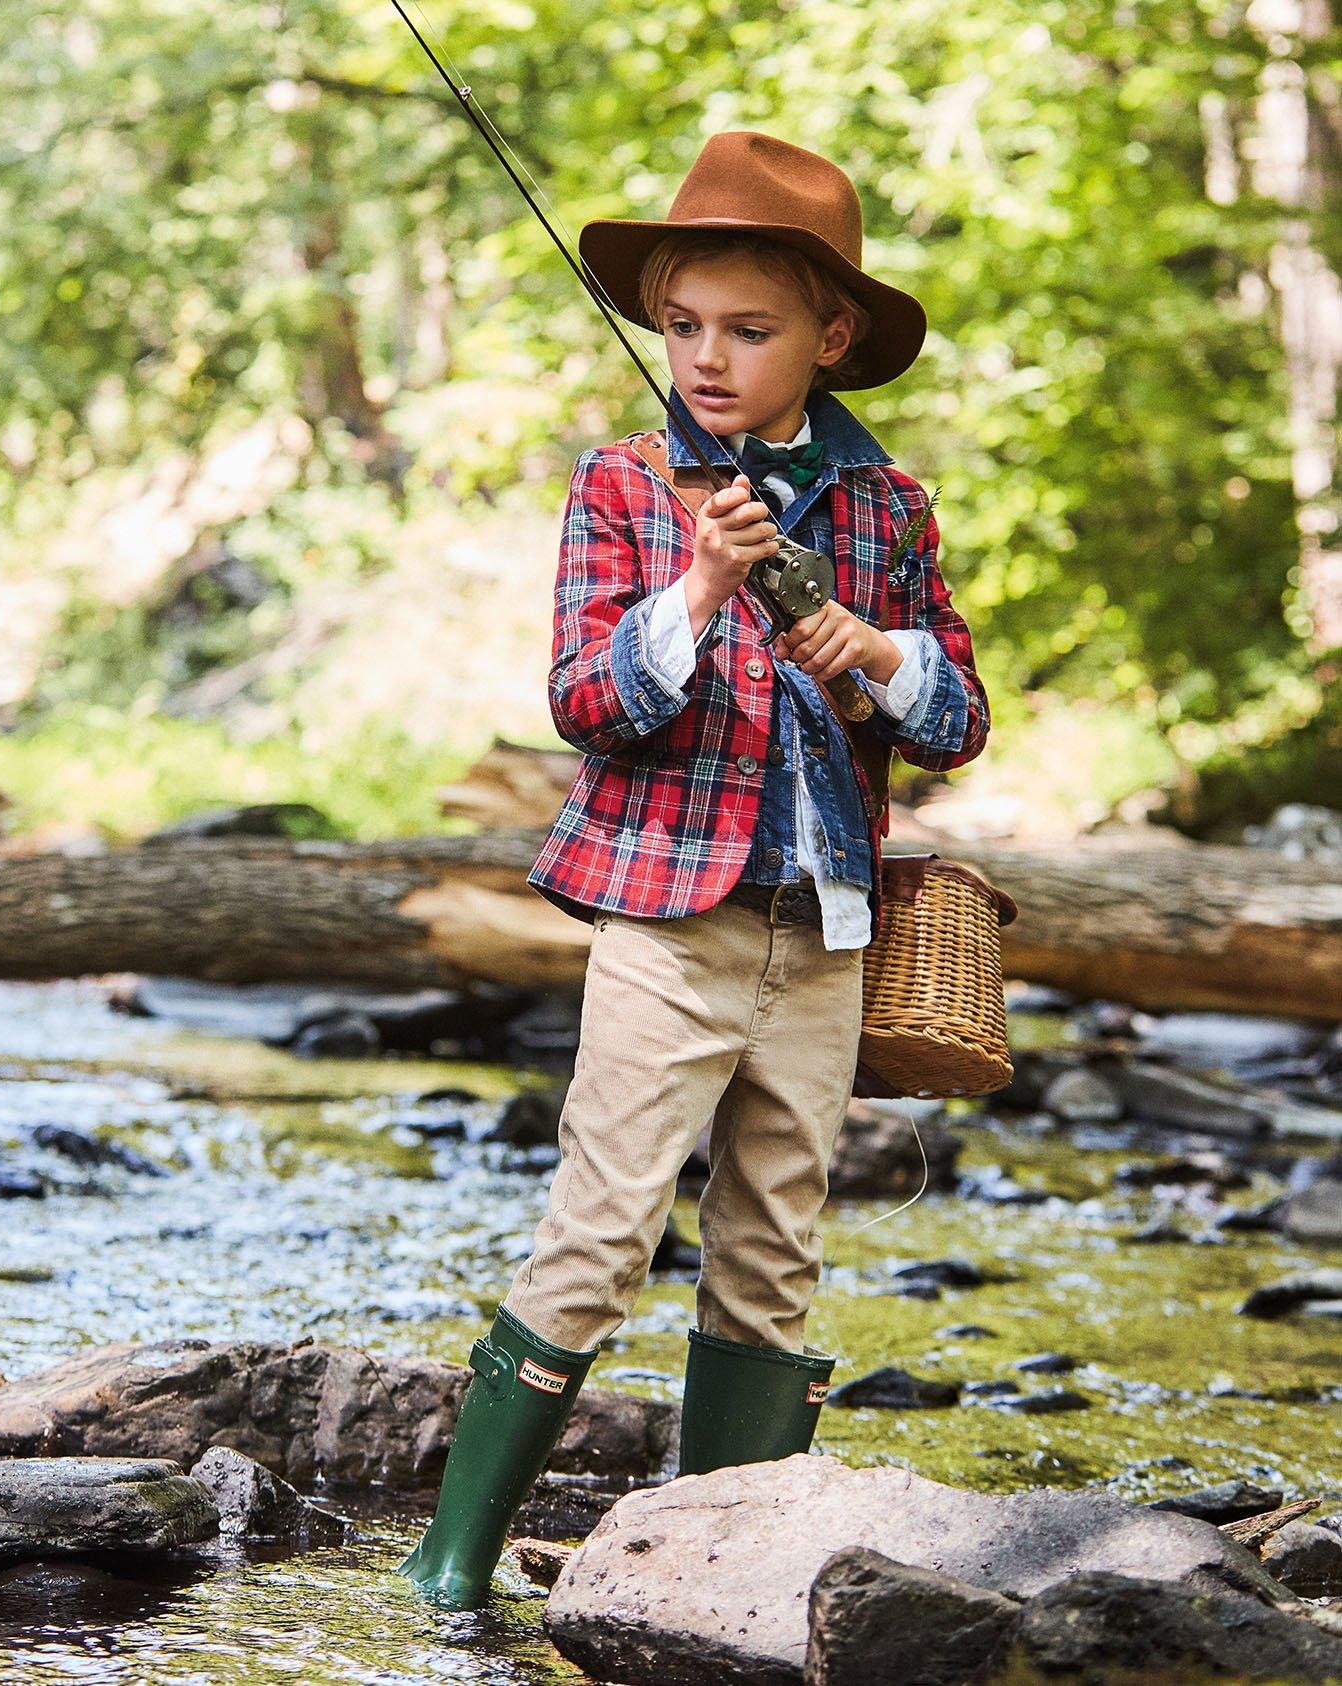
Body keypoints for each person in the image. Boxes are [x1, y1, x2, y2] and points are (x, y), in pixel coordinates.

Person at [398, 130, 990, 1609]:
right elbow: (586, 704)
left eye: (748, 329)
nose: (706, 359)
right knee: (599, 1237)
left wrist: (878, 653)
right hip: (668, 923)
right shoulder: (622, 483)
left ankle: (720, 1568)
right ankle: (447, 1566)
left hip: (828, 930)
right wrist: (700, 585)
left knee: (772, 1254)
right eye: (681, 327)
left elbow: (959, 722)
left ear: (830, 338)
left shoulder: (889, 507)